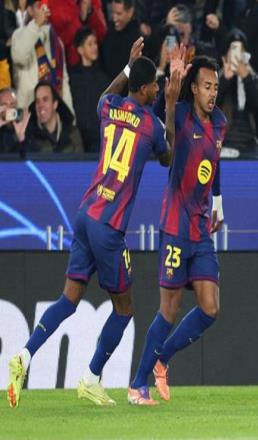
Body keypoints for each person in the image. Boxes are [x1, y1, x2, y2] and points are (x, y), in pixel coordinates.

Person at [7, 37, 171, 408]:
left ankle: (25, 355)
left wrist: (127, 67)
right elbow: (168, 157)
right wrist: (173, 105)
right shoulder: (150, 124)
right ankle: (91, 378)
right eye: (154, 86)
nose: (157, 90)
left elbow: (106, 94)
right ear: (143, 90)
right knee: (125, 309)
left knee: (69, 298)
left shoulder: (110, 106)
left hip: (86, 213)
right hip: (109, 226)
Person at [128, 55, 226, 405]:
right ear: (194, 88)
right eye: (207, 86)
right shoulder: (179, 111)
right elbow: (161, 136)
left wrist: (218, 201)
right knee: (169, 310)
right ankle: (137, 385)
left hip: (201, 229)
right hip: (174, 225)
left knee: (210, 308)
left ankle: (163, 358)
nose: (212, 93)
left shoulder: (221, 122)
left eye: (216, 87)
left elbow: (214, 163)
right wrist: (170, 96)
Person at [10, 0, 75, 114]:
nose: (44, 10)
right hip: (29, 113)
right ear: (30, 10)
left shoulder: (57, 42)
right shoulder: (19, 34)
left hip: (55, 113)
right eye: (39, 6)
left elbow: (63, 82)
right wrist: (36, 25)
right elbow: (19, 57)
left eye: (46, 6)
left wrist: (69, 115)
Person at [70, 27, 110, 152]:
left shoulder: (103, 77)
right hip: (78, 138)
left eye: (95, 43)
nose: (94, 47)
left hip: (100, 138)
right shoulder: (72, 78)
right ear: (80, 50)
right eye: (90, 44)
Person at [26, 80, 83, 153]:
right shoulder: (29, 136)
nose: (40, 105)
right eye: (37, 101)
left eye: (45, 100)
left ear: (55, 104)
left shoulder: (73, 133)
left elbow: (80, 159)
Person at [0, 87, 31, 154]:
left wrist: (21, 137)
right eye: (4, 105)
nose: (9, 109)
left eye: (12, 105)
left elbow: (34, 155)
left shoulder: (25, 125)